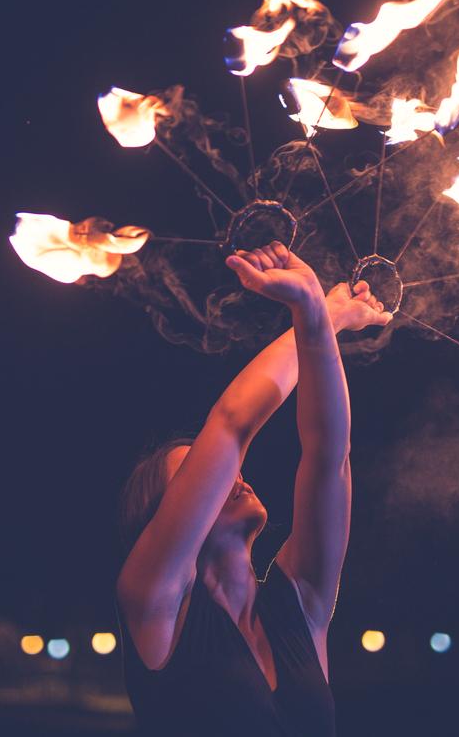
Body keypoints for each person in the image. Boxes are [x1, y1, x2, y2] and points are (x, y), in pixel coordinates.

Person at [115, 241, 392, 736]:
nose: (233, 476)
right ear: (172, 516)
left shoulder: (299, 605)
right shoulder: (153, 598)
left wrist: (321, 314)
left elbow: (329, 455)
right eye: (202, 475)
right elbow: (232, 424)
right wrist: (316, 312)